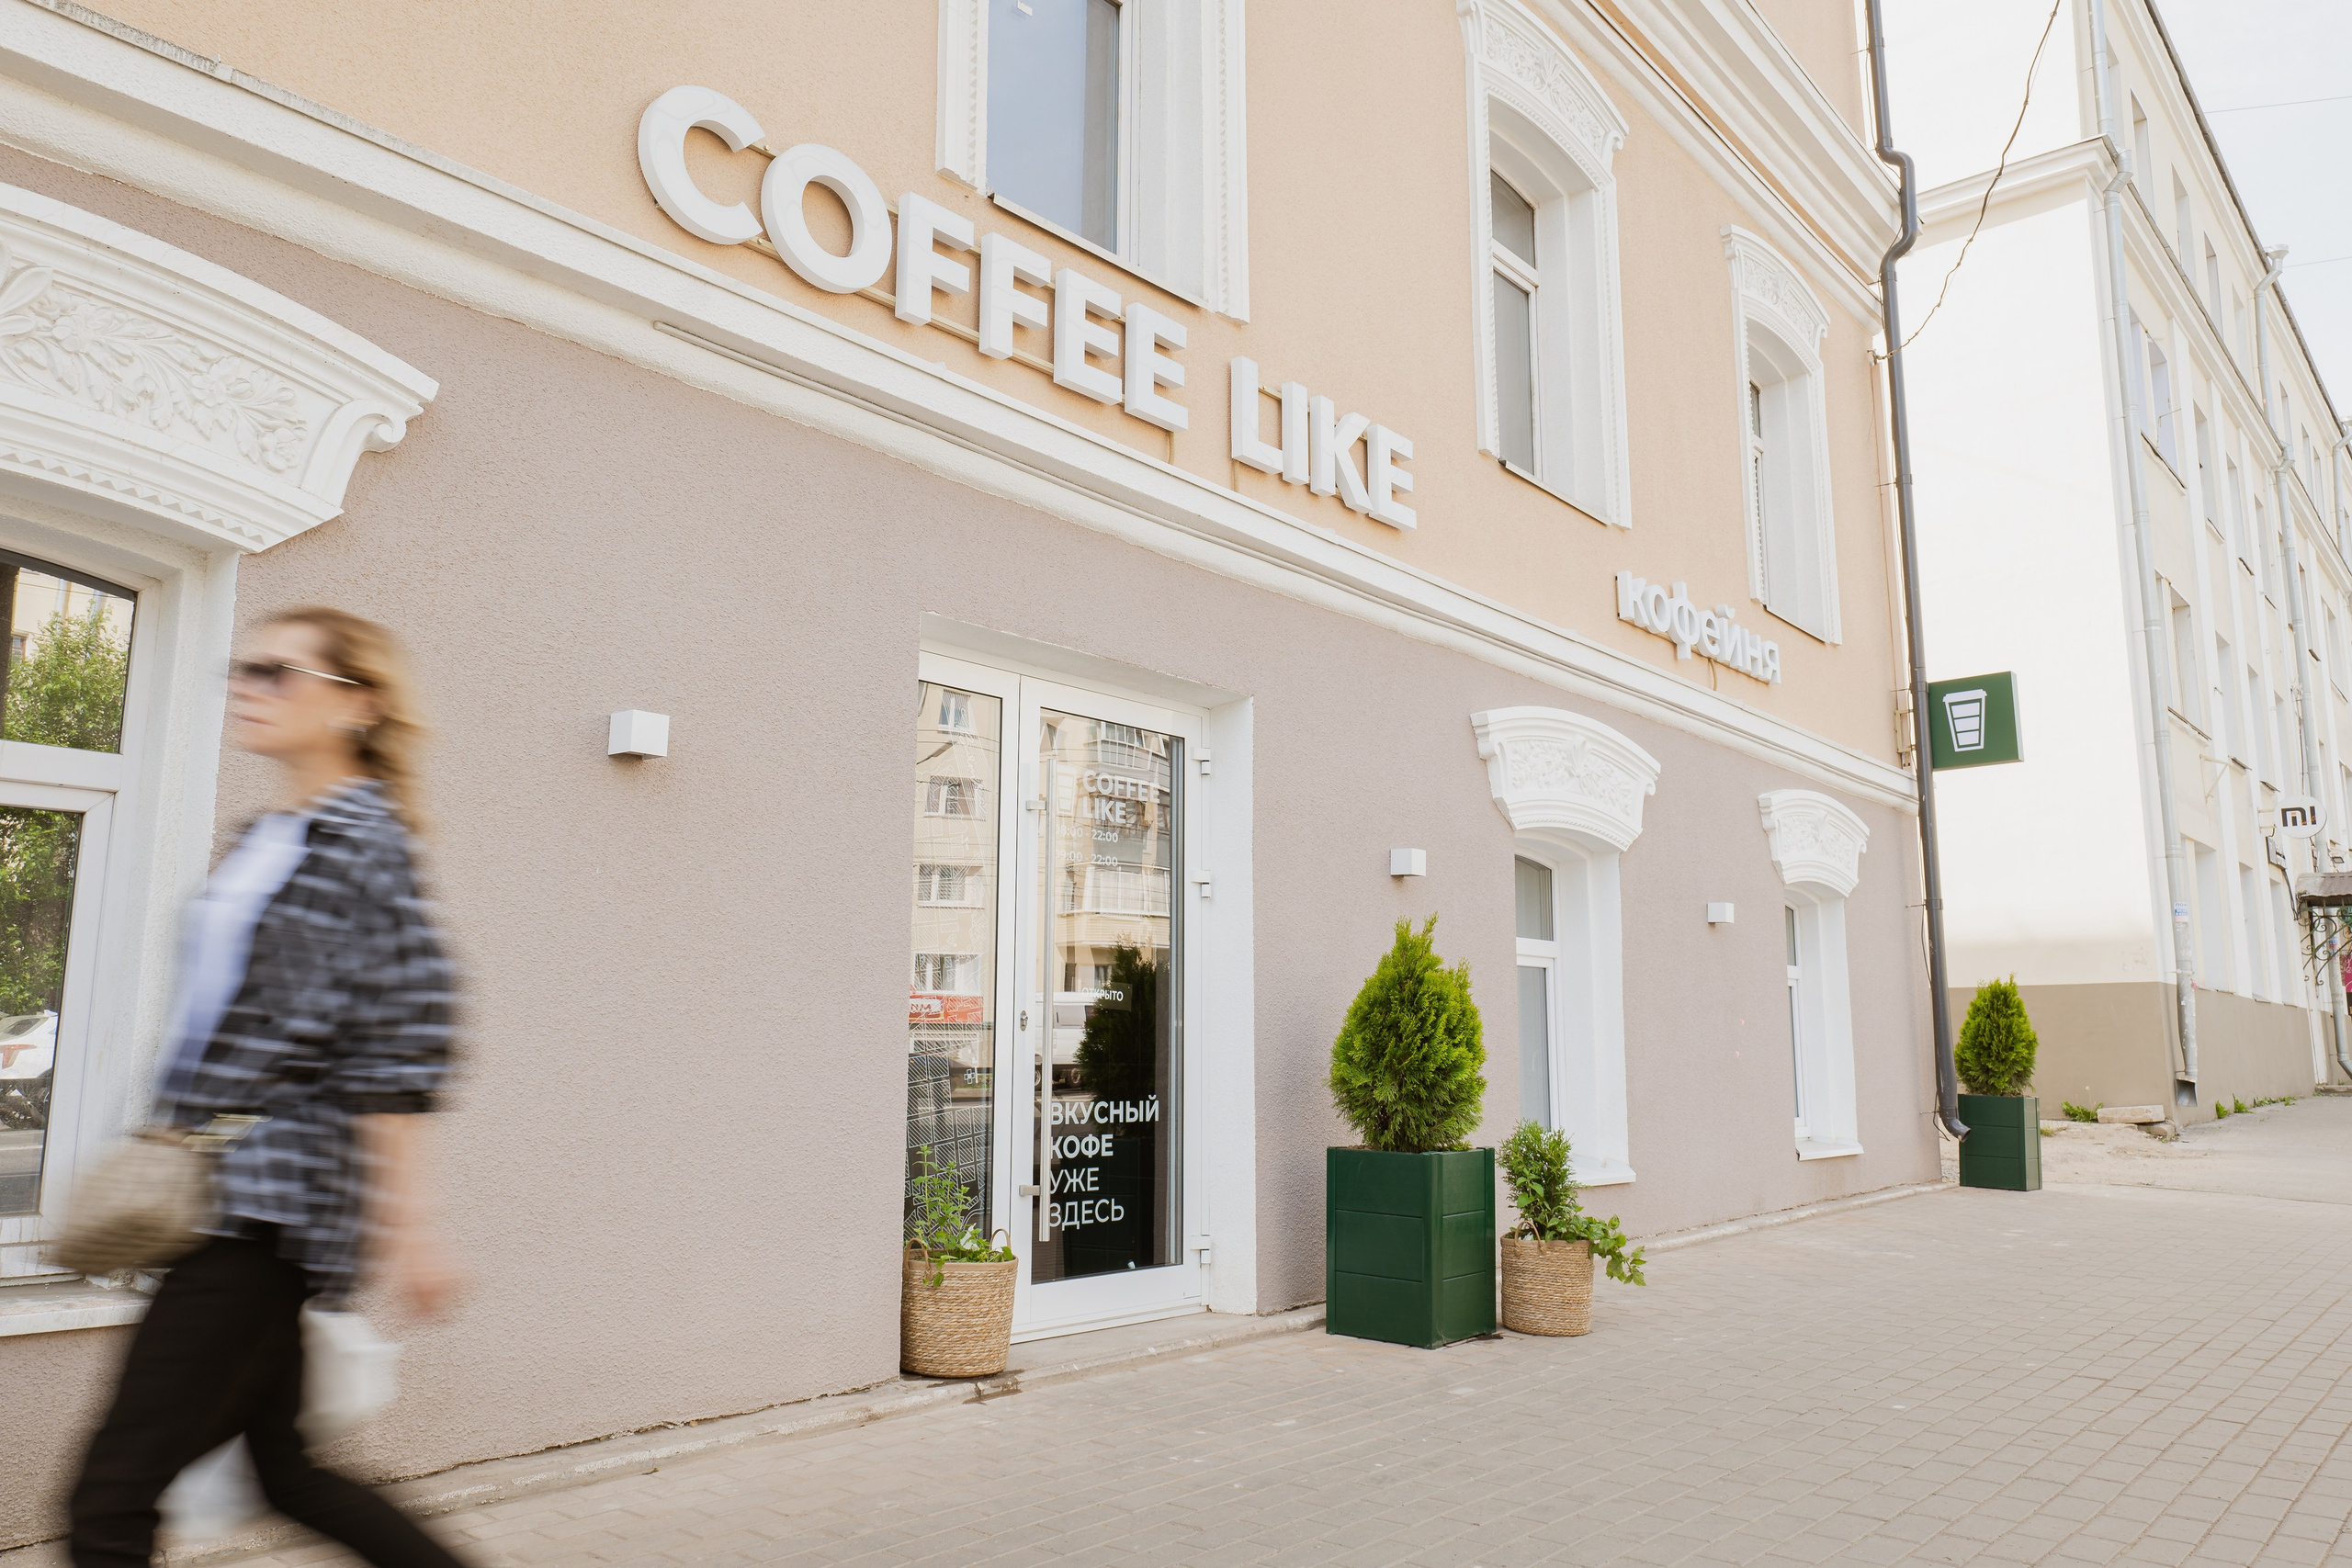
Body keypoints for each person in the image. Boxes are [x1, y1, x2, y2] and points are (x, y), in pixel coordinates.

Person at [69, 608, 469, 1568]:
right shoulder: (266, 838)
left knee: (110, 1499)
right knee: (285, 1468)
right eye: (241, 670)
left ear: (354, 704)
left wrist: (412, 1227)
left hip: (268, 1207)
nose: (248, 687)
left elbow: (400, 1039)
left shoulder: (365, 845)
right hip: (214, 1189)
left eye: (276, 672)